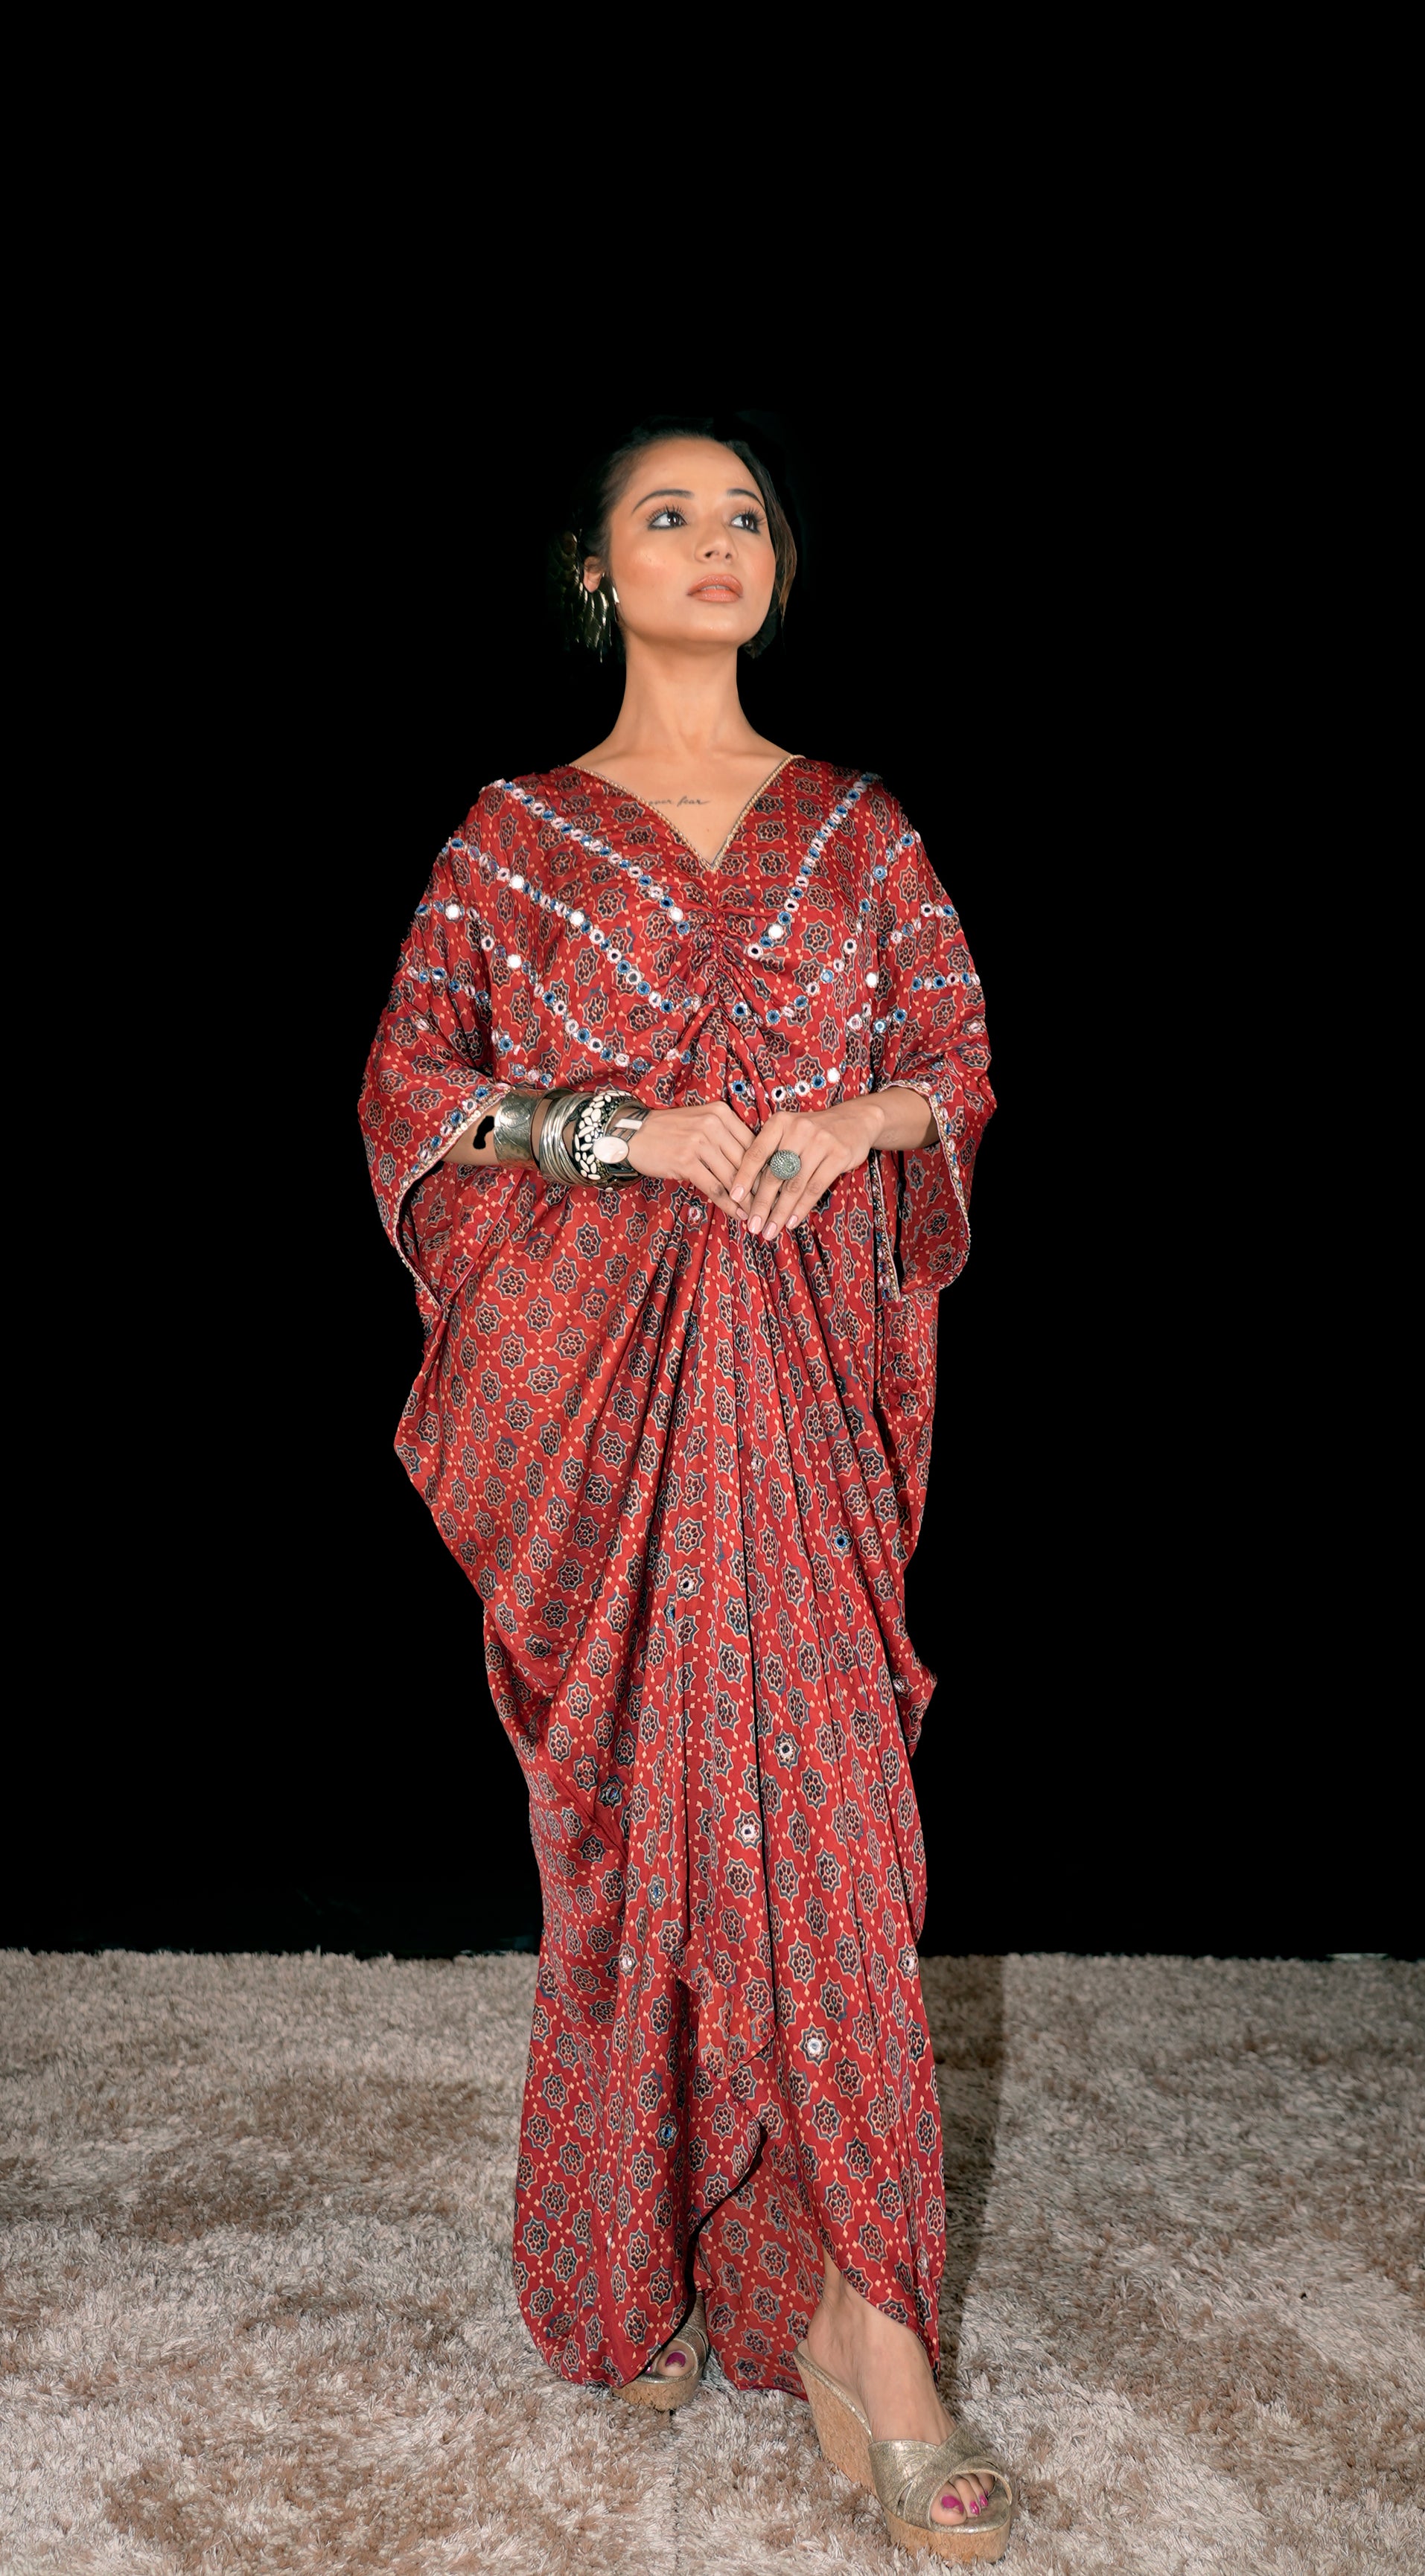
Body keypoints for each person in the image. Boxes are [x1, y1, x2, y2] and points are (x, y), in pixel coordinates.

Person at [360, 419, 1010, 2558]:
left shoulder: (858, 827)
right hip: (602, 1405)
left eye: (746, 516)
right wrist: (609, 1132)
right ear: (593, 570)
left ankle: (866, 2326)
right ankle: (640, 2255)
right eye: (670, 513)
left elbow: (957, 1064)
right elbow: (413, 1088)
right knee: (629, 1828)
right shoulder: (514, 838)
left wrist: (854, 1126)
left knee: (834, 1822)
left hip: (804, 1391)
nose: (715, 541)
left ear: (779, 570)